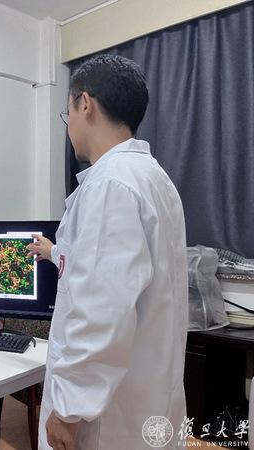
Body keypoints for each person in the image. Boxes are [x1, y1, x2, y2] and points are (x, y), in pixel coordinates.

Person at [27, 55, 188, 450]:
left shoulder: (109, 185)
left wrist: (68, 409)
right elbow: (118, 271)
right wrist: (57, 252)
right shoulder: (152, 177)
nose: (69, 126)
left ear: (85, 104)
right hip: (145, 395)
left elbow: (101, 310)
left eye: (67, 113)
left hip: (105, 417)